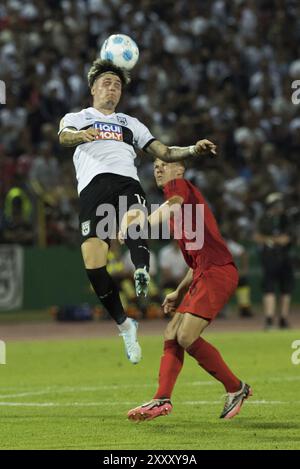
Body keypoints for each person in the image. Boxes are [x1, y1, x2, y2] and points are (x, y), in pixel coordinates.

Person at [58, 59, 216, 364]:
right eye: (106, 82)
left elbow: (166, 152)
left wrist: (194, 150)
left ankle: (141, 267)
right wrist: (81, 135)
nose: (112, 88)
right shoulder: (78, 117)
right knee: (94, 264)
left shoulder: (131, 123)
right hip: (93, 189)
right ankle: (125, 325)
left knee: (134, 219)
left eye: (117, 85)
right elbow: (64, 137)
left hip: (126, 181)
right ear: (92, 88)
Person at [126, 160, 252, 420]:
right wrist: (179, 292)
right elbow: (195, 264)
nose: (158, 169)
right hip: (204, 273)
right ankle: (161, 400)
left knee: (185, 336)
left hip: (217, 272)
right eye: (155, 165)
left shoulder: (179, 187)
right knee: (172, 332)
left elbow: (172, 203)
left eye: (165, 164)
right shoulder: (178, 216)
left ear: (180, 170)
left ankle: (235, 387)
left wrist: (141, 224)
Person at [254, 193, 294, 330]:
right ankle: (269, 319)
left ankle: (283, 319)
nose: (279, 206)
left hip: (284, 257)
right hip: (269, 257)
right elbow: (257, 237)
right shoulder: (264, 219)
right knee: (269, 287)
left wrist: (270, 240)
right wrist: (274, 240)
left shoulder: (286, 218)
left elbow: (288, 238)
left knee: (286, 289)